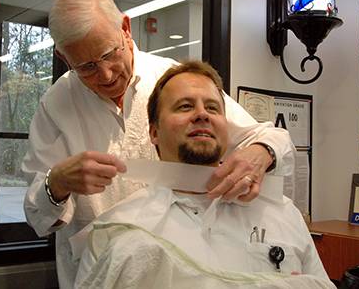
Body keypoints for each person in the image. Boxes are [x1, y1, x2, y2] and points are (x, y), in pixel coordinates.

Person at [22, 0, 295, 288]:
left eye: (109, 54)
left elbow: (274, 139)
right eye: (86, 68)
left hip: (182, 269)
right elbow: (37, 215)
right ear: (63, 56)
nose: (106, 75)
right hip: (98, 271)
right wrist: (56, 183)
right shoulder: (57, 104)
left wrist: (259, 152)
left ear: (126, 28)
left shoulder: (175, 83)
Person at [72, 61, 333, 289]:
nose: (201, 114)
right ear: (154, 132)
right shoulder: (120, 234)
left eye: (212, 108)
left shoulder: (283, 214)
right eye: (184, 107)